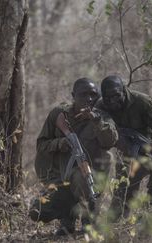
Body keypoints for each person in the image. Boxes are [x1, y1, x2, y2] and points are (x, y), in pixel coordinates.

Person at [29, 78, 118, 235]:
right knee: (37, 211)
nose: (89, 98)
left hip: (90, 180)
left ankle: (88, 222)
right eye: (83, 94)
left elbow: (110, 141)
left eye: (93, 94)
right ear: (73, 95)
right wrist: (60, 143)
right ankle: (67, 222)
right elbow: (41, 146)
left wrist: (97, 122)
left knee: (81, 177)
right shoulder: (58, 114)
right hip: (60, 180)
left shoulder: (102, 117)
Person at [95, 75, 152, 219]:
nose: (112, 101)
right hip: (125, 153)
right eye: (107, 97)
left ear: (124, 90)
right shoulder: (100, 106)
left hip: (149, 150)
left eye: (116, 96)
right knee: (120, 203)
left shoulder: (142, 102)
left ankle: (151, 215)